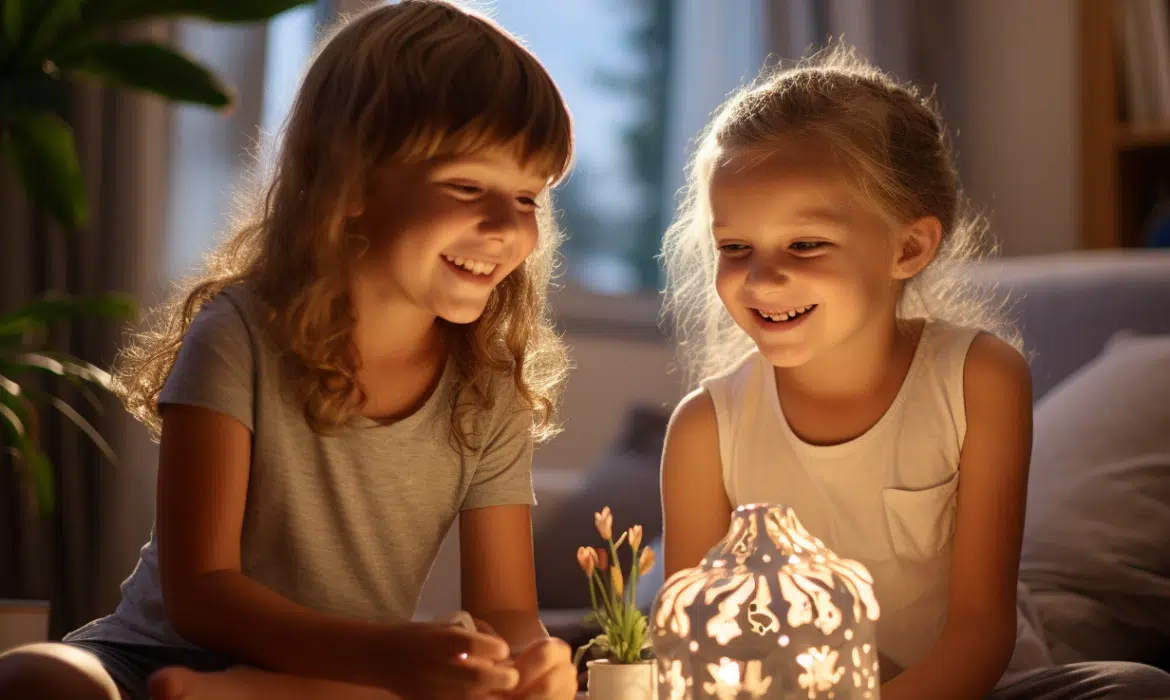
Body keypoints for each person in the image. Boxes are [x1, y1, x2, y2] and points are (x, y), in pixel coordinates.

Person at [0, 2, 580, 699]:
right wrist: (391, 657)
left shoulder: (487, 388)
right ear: (354, 180)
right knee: (39, 675)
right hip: (157, 657)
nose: (505, 228)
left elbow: (507, 609)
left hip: (339, 679)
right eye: (467, 186)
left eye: (527, 198)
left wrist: (530, 654)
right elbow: (202, 594)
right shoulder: (237, 333)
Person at [658, 46, 1170, 700]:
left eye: (805, 243)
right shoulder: (704, 430)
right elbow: (692, 644)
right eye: (735, 248)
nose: (762, 278)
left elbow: (980, 636)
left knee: (1134, 687)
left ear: (908, 247)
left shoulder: (980, 378)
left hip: (977, 691)